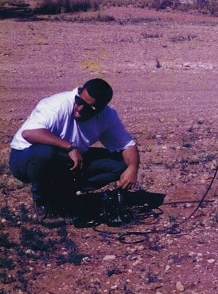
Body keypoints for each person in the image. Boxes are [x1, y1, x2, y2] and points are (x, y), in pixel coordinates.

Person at [9, 78, 140, 223]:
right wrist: (70, 146)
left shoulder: (107, 116)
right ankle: (42, 202)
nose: (80, 109)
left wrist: (133, 168)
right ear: (78, 93)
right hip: (24, 159)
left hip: (66, 160)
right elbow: (29, 133)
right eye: (79, 101)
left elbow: (127, 145)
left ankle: (63, 195)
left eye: (89, 107)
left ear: (101, 109)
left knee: (122, 163)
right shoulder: (57, 104)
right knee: (44, 152)